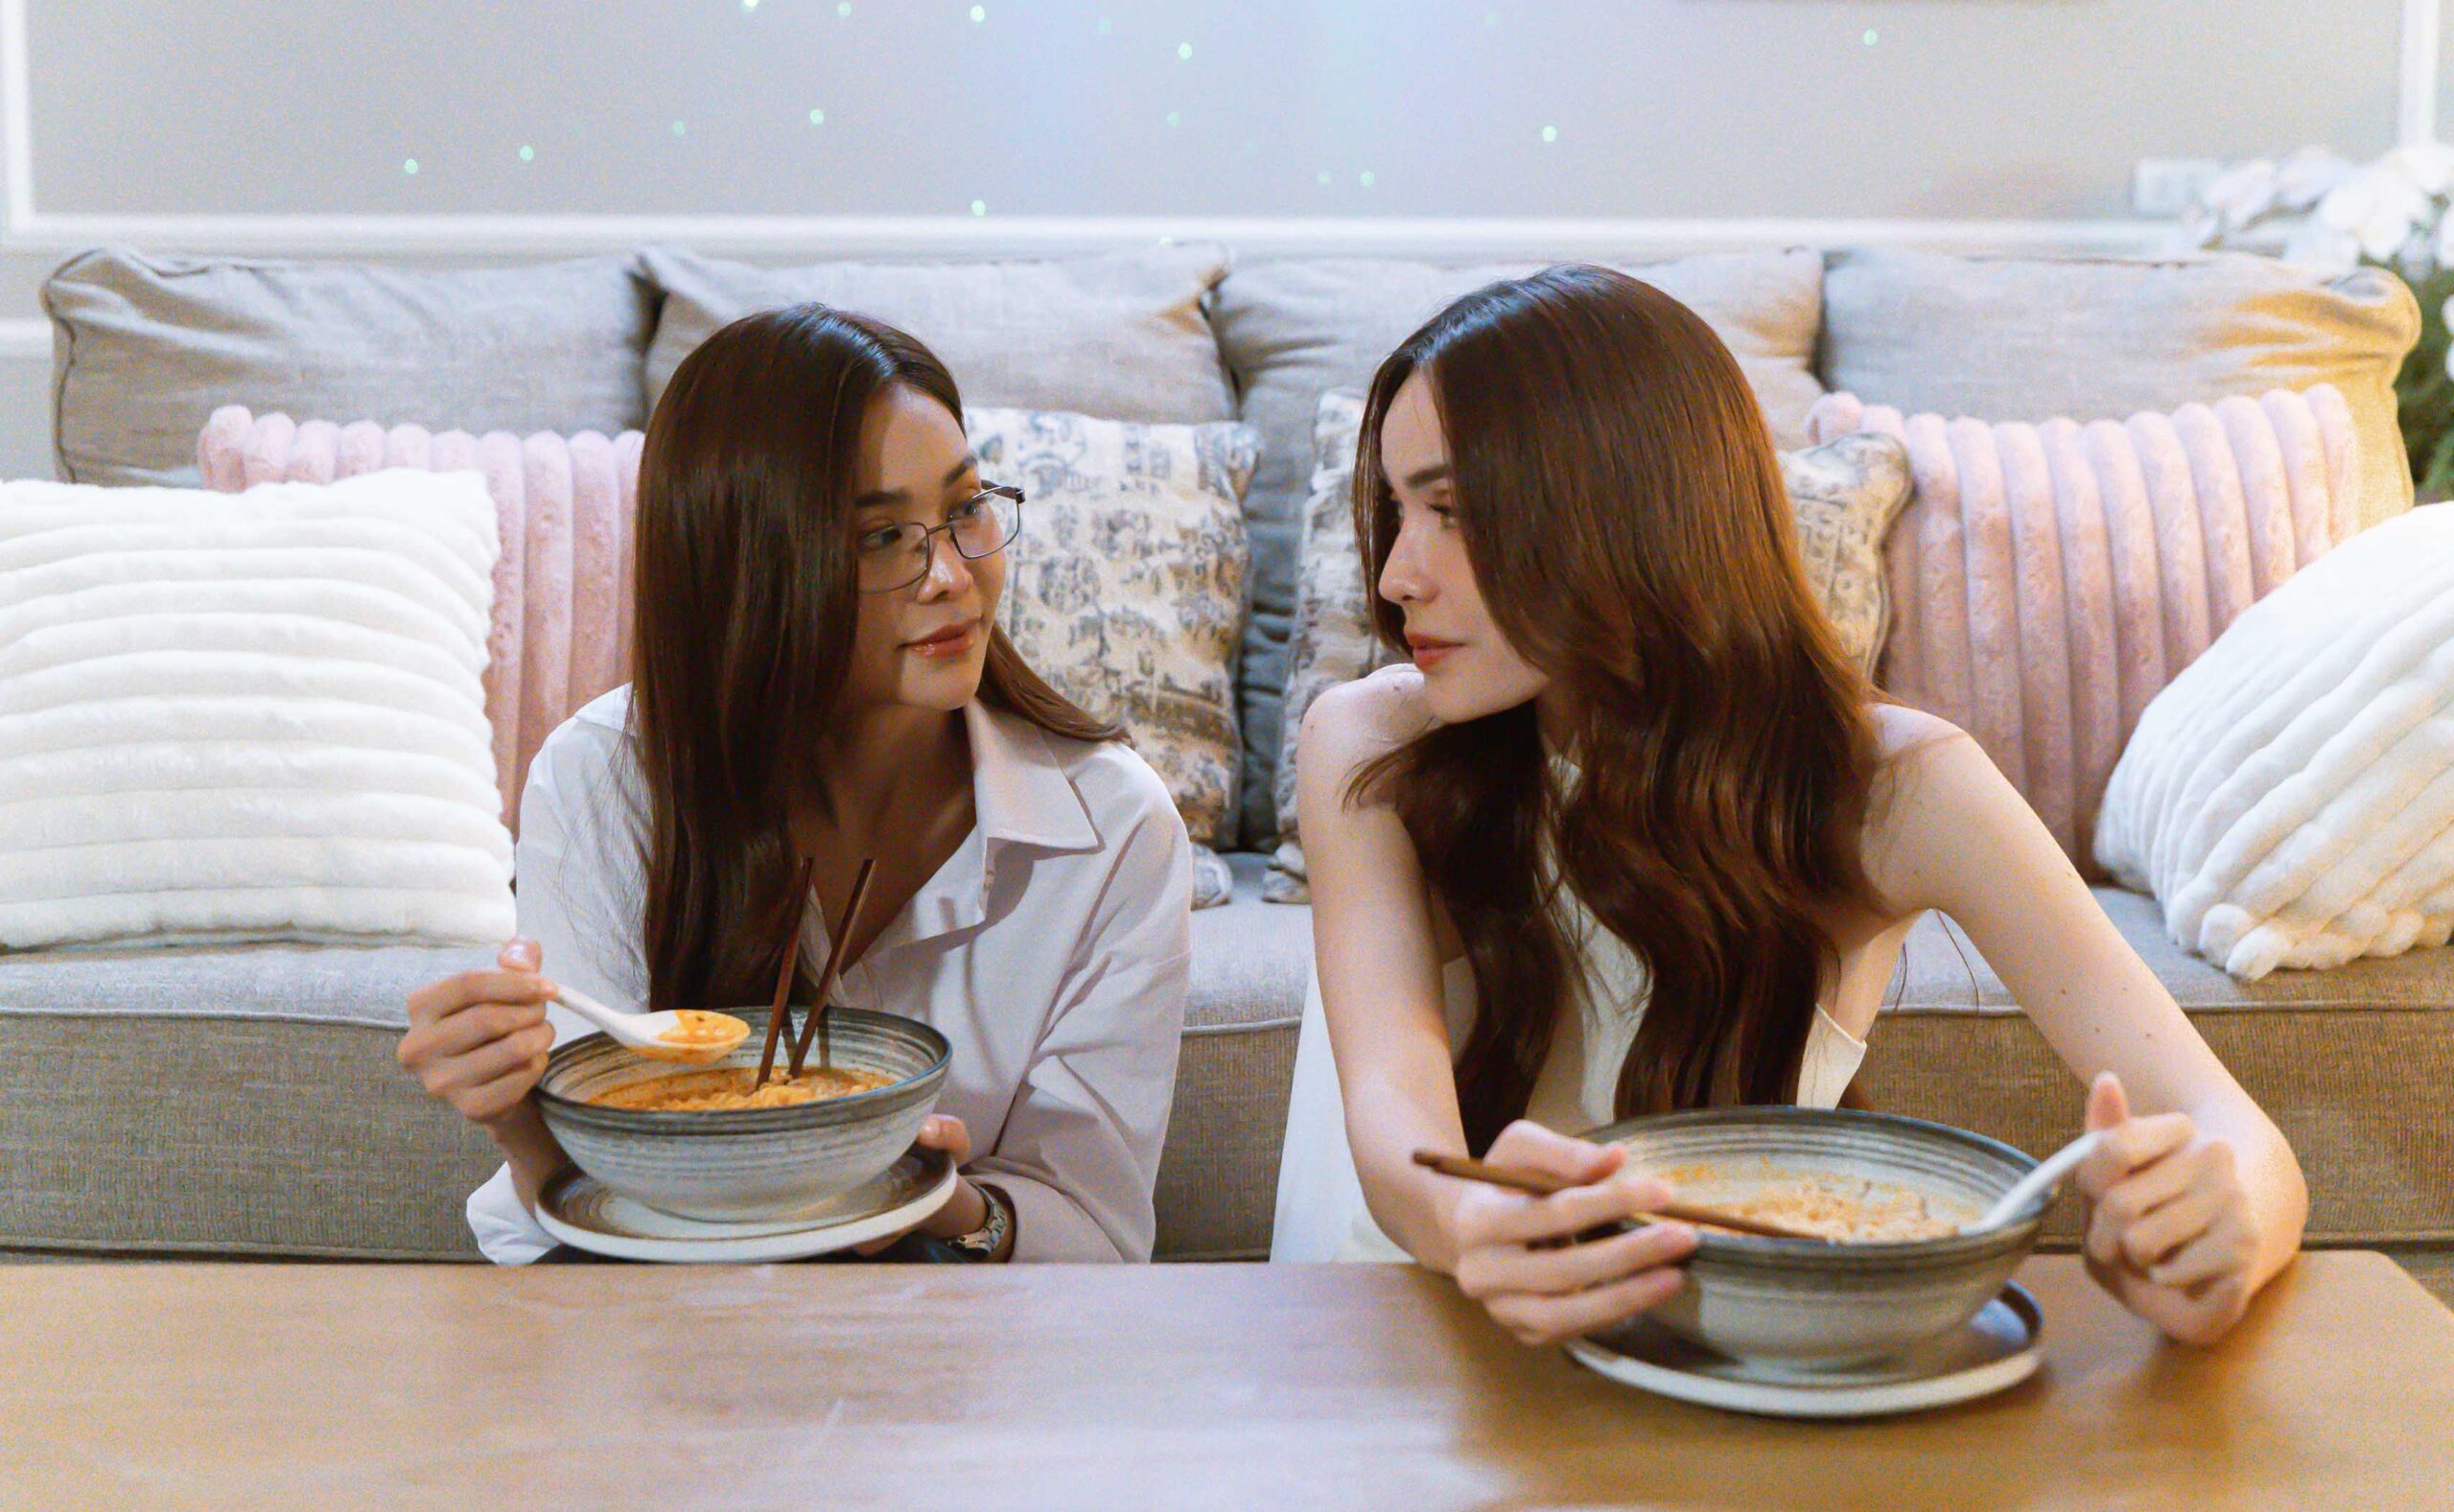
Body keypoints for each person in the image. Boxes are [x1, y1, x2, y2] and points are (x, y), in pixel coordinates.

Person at [1274, 265, 2306, 1348]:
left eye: (1450, 511)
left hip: (1714, 1367)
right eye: (1397, 511)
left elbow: (2235, 1131)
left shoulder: (1897, 786)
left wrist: (2216, 1224)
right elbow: (1392, 1118)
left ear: (1623, 508)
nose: (1395, 575)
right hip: (1391, 1327)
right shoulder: (1372, 742)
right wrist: (1464, 1221)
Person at [398, 304, 1195, 1263]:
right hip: (649, 1303)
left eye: (965, 507)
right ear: (745, 571)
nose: (949, 573)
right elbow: (595, 1208)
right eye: (879, 536)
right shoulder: (606, 777)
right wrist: (514, 1115)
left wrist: (941, 1204)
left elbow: (1098, 1234)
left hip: (953, 1315)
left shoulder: (1113, 825)